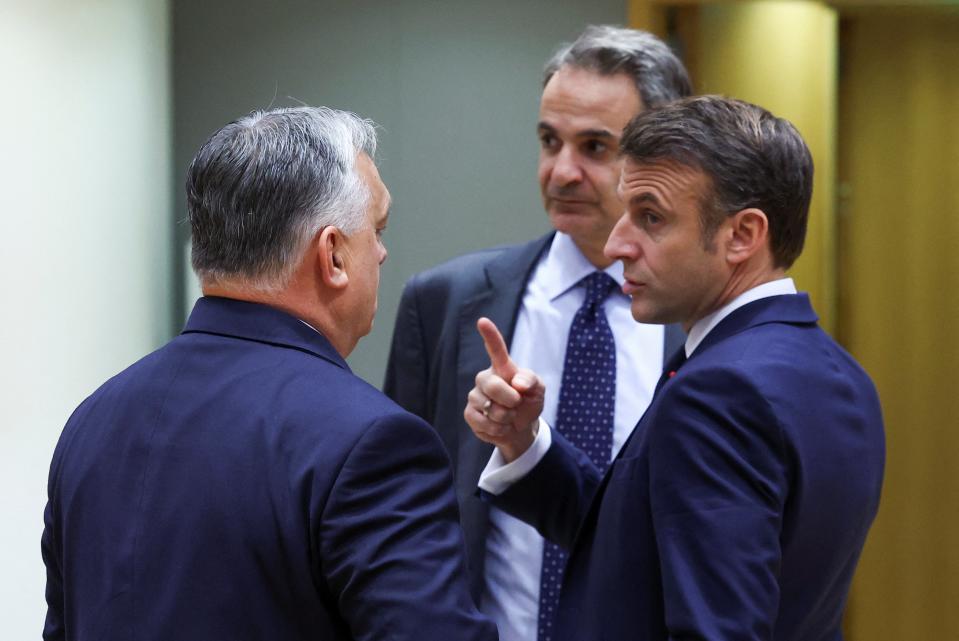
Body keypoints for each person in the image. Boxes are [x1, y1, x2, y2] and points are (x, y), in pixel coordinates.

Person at [41, 107, 497, 641]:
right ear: (332, 256)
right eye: (377, 229)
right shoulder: (373, 444)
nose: (382, 251)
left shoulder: (92, 422)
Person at [466, 95, 885, 640]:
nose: (617, 244)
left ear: (742, 235)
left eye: (650, 217)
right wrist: (526, 445)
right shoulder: (844, 376)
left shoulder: (718, 391)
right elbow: (644, 549)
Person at [383, 25, 692, 641]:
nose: (562, 171)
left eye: (595, 148)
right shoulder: (444, 302)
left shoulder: (699, 320)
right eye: (550, 141)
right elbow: (396, 507)